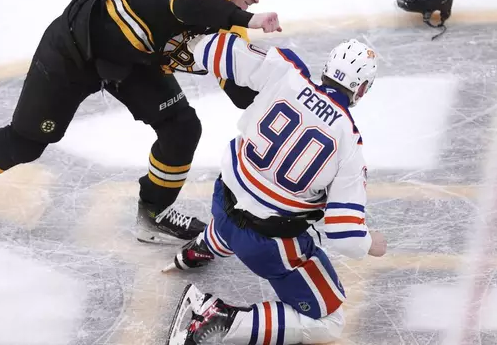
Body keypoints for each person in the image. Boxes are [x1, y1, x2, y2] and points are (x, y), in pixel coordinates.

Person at [0, 0, 280, 244]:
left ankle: (153, 214)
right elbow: (187, 3)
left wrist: (275, 108)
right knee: (26, 144)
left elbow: (234, 83)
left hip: (130, 62)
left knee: (182, 128)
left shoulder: (224, 22)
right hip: (76, 48)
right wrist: (247, 18)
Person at [164, 34, 388, 344]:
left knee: (248, 196)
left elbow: (221, 51)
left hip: (222, 202)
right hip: (268, 245)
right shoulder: (349, 144)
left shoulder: (288, 70)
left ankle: (200, 248)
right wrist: (371, 243)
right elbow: (344, 234)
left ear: (325, 68)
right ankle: (222, 320)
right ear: (362, 89)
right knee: (329, 322)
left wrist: (186, 36)